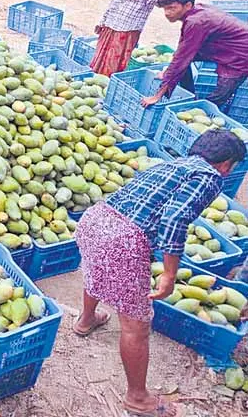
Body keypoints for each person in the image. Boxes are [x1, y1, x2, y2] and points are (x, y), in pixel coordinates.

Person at [73, 129, 245, 417]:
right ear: (227, 164)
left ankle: (86, 320)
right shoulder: (210, 176)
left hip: (96, 219)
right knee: (136, 324)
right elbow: (175, 219)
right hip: (124, 239)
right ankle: (137, 398)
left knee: (98, 270)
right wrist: (168, 273)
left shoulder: (171, 164)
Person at [141, 0, 248, 113]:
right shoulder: (196, 12)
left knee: (218, 97)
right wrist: (168, 74)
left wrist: (156, 96)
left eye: (172, 8)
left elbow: (181, 59)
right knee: (182, 60)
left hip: (241, 57)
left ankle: (201, 110)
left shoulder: (196, 22)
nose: (167, 13)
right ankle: (190, 95)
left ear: (187, 5)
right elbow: (182, 52)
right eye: (165, 8)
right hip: (224, 48)